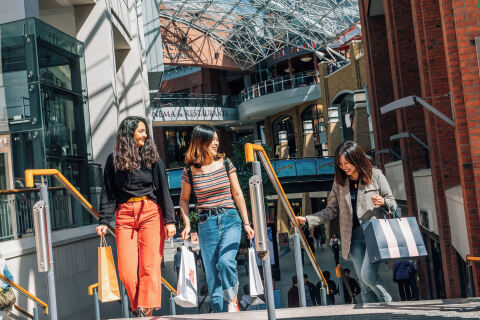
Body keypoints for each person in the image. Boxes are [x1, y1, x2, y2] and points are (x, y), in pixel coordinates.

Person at [296, 141, 397, 303]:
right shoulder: (339, 183)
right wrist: (308, 219)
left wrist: (383, 202)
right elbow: (331, 210)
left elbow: (392, 202)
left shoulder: (376, 175)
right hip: (353, 238)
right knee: (364, 285)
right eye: (341, 164)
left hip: (374, 234)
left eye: (347, 163)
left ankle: (390, 305)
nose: (344, 167)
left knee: (368, 276)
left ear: (356, 159)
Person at [96, 116, 176, 317]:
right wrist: (104, 221)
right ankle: (138, 305)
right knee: (126, 271)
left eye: (145, 131)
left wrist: (170, 221)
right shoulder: (113, 160)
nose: (145, 135)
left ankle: (145, 311)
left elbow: (164, 189)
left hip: (150, 213)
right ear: (129, 133)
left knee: (149, 267)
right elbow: (108, 192)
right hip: (124, 215)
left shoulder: (152, 158)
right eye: (141, 131)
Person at [178, 125, 254, 313]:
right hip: (207, 224)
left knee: (226, 262)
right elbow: (184, 200)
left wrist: (246, 222)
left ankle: (233, 299)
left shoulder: (226, 163)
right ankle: (221, 314)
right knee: (212, 278)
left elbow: (237, 193)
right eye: (212, 140)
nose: (216, 143)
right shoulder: (189, 171)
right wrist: (187, 223)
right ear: (201, 142)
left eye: (217, 139)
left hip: (230, 219)